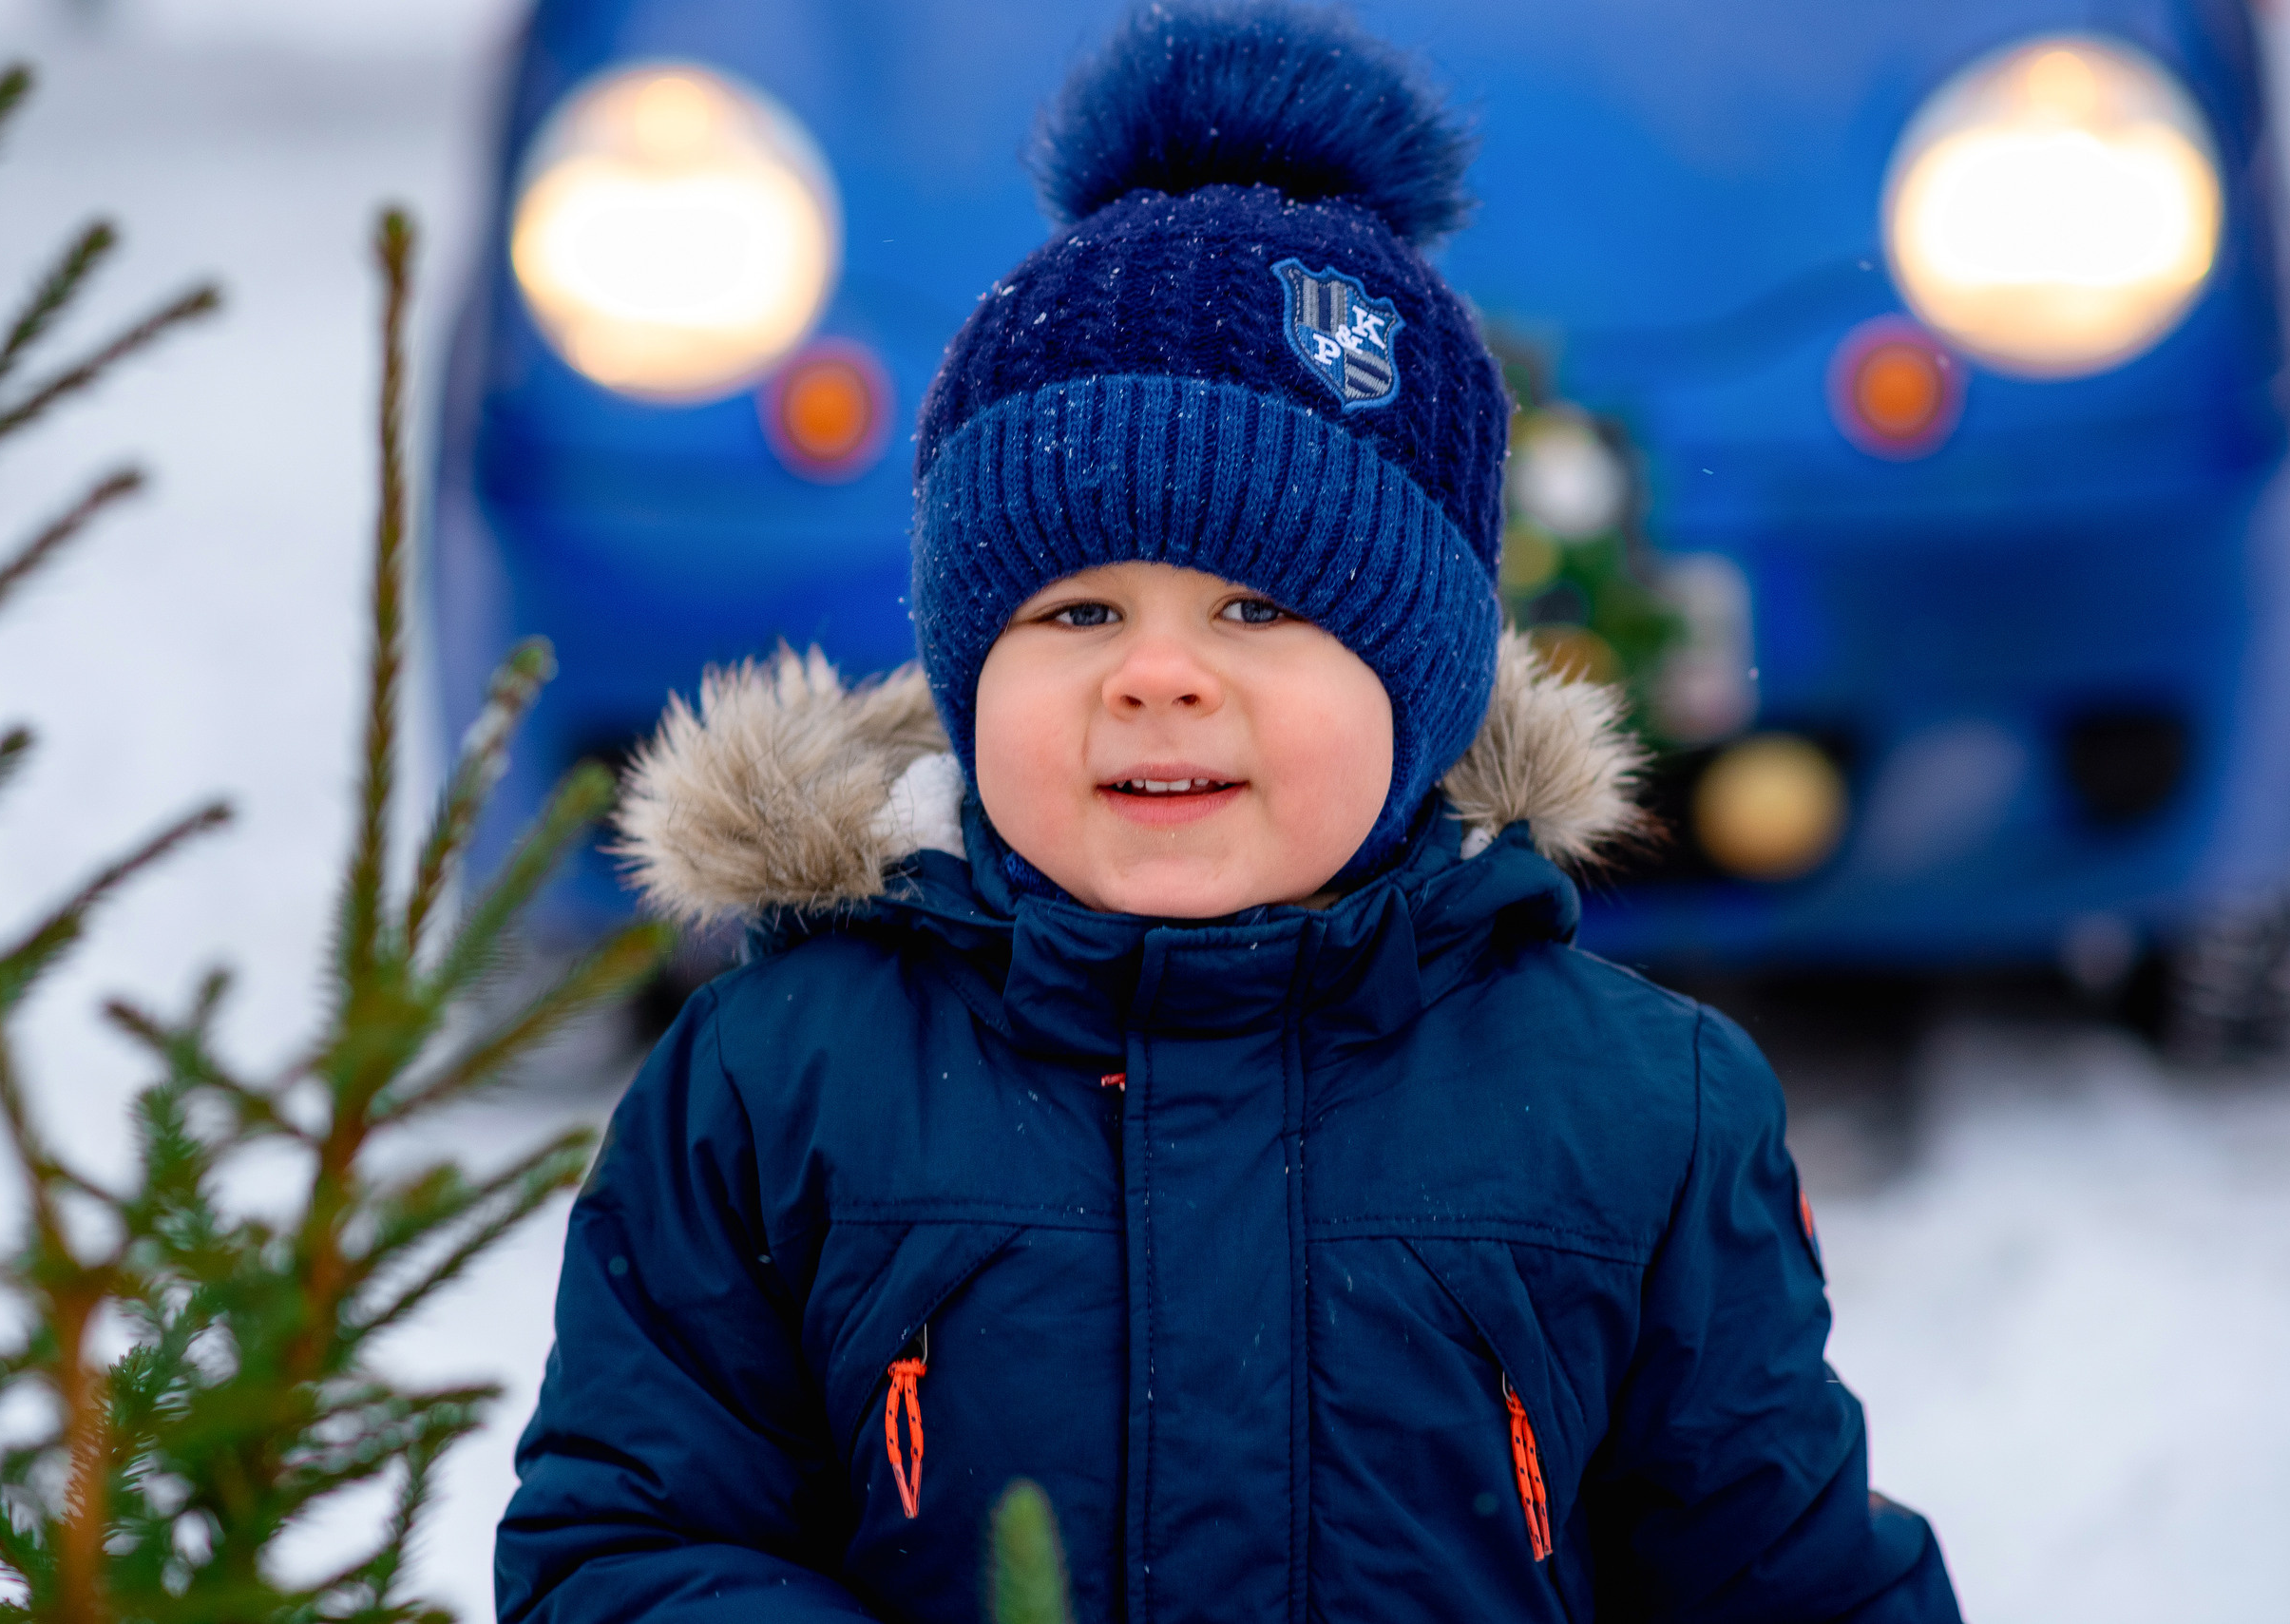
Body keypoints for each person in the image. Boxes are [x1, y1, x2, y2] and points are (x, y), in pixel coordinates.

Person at [493, 4, 1963, 1620]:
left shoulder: (1638, 1121)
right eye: (1075, 615)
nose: (1159, 678)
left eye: (1262, 609)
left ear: (1417, 683)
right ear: (968, 669)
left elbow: (1796, 1588)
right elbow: (622, 1549)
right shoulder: (779, 1085)